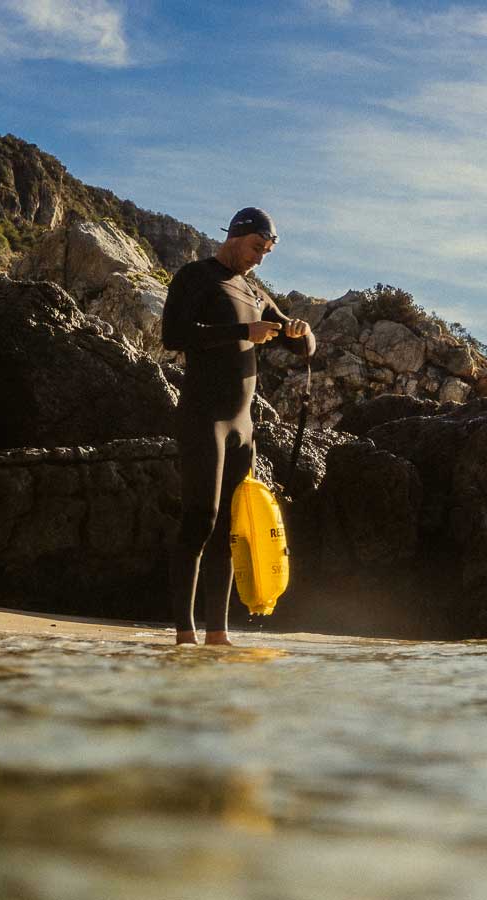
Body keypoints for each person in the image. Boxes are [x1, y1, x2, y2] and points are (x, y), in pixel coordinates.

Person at [161, 207, 314, 646]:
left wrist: (299, 331)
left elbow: (305, 345)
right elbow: (174, 335)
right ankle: (184, 633)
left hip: (243, 424)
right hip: (203, 415)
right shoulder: (195, 277)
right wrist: (243, 330)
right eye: (255, 248)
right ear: (235, 236)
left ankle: (218, 633)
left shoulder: (254, 289)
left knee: (230, 526)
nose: (259, 259)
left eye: (266, 253)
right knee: (200, 519)